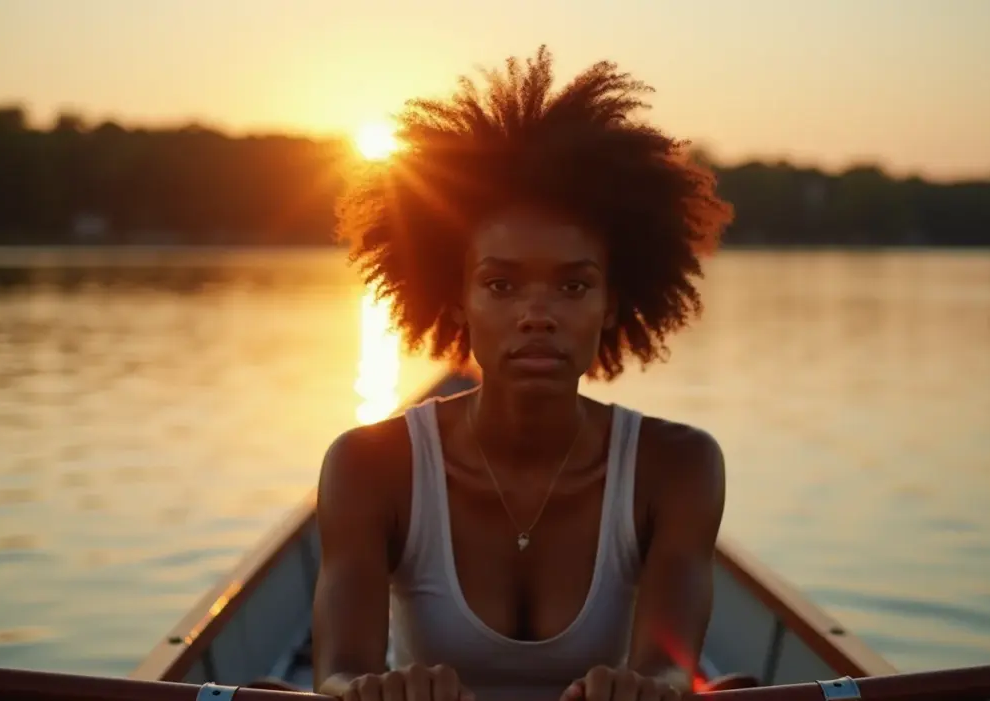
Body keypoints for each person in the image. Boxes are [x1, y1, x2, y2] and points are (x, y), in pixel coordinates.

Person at [313, 46, 737, 701]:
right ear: (456, 299)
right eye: (502, 283)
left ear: (612, 304)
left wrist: (648, 688)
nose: (537, 315)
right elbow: (338, 670)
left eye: (572, 286)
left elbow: (669, 671)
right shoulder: (369, 465)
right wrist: (369, 690)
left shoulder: (677, 467)